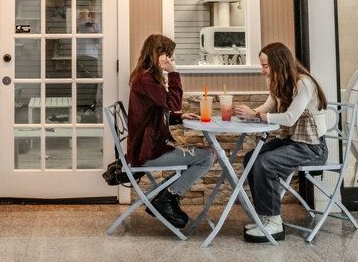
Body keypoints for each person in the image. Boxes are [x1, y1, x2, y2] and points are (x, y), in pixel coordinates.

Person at [234, 42, 329, 243]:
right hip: (293, 142)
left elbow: (289, 118)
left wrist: (258, 116)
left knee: (264, 163)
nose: (263, 71)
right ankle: (266, 217)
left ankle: (274, 223)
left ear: (279, 63)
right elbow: (268, 107)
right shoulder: (278, 82)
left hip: (312, 147)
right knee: (252, 158)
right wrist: (248, 115)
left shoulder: (303, 83)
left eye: (265, 65)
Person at [126, 34, 213, 229]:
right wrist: (174, 73)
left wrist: (178, 118)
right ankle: (167, 198)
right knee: (208, 156)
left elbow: (156, 113)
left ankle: (165, 197)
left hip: (146, 148)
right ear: (159, 55)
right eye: (170, 56)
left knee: (205, 153)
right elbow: (174, 103)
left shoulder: (144, 76)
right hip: (147, 153)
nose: (172, 60)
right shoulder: (146, 80)